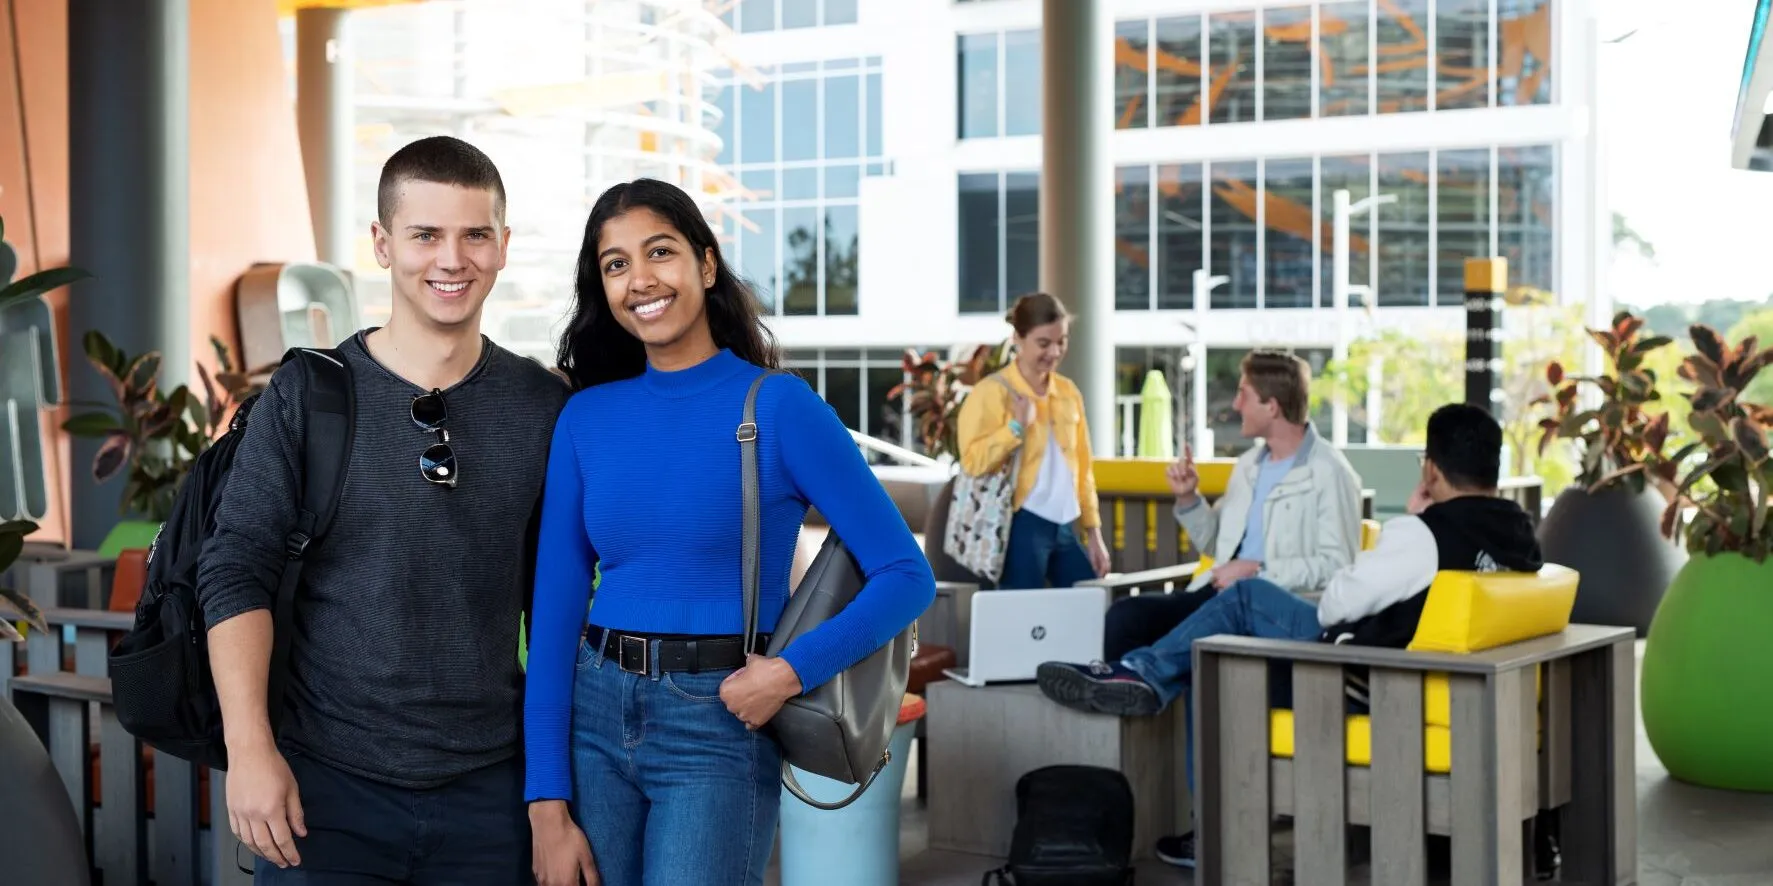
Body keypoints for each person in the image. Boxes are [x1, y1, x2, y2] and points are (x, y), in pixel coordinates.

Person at [523, 177, 935, 886]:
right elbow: (556, 611)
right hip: (592, 713)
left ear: (706, 266)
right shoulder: (585, 419)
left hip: (718, 721)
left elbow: (905, 576)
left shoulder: (778, 407)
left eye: (660, 252)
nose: (639, 279)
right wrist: (545, 803)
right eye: (615, 264)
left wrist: (786, 672)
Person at [198, 136, 567, 884]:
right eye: (425, 234)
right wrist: (249, 749)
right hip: (322, 790)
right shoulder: (308, 393)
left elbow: (557, 608)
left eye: (474, 235)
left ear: (502, 246)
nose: (450, 260)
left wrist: (549, 798)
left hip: (491, 796)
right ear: (381, 244)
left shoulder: (544, 408)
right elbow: (235, 567)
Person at [1038, 402, 1544, 867]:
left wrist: (1414, 517)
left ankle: (1151, 689)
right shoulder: (1521, 536)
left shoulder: (1425, 533)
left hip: (1361, 686)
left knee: (1232, 615)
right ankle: (1145, 675)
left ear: (1430, 468)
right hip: (1457, 693)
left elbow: (1334, 603)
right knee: (1228, 618)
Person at [1101, 349, 1361, 660]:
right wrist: (1188, 497)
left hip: (1269, 607)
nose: (1236, 405)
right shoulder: (1248, 465)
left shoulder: (1331, 472)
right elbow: (1215, 543)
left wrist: (1258, 571)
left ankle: (1138, 678)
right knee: (1126, 616)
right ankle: (1120, 695)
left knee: (1177, 644)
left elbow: (1337, 566)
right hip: (1215, 593)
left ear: (1272, 406)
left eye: (1243, 394)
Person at [953, 292, 1111, 588]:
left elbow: (1083, 468)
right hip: (1021, 524)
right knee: (1022, 620)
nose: (1054, 351)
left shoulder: (1068, 392)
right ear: (1018, 338)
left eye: (1061, 341)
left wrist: (1094, 534)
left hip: (1066, 523)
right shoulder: (991, 393)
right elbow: (973, 462)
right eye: (1044, 343)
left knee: (1091, 606)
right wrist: (1015, 428)